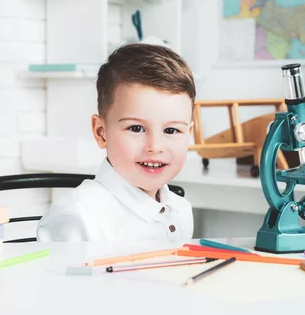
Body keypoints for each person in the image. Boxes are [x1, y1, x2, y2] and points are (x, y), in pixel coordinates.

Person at [36, 43, 196, 242]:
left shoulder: (182, 210)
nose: (155, 146)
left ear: (188, 135)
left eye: (171, 130)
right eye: (136, 128)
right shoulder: (77, 217)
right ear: (101, 132)